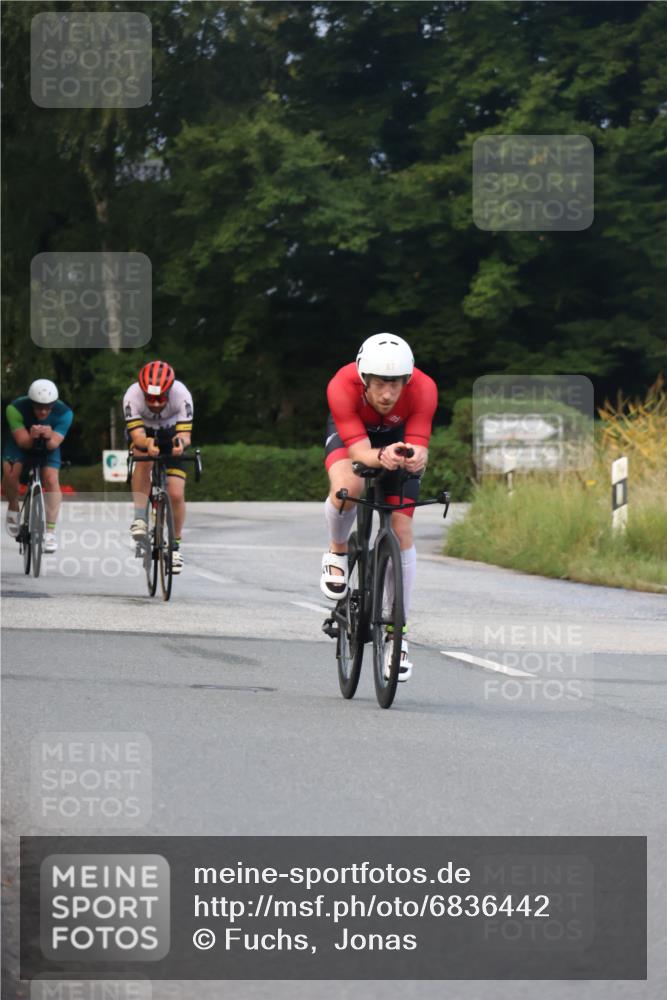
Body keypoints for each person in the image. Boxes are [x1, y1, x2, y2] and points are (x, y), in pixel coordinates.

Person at [321, 333, 438, 681]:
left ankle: (397, 635)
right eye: (379, 385)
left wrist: (417, 457)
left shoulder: (424, 389)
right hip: (353, 438)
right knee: (349, 486)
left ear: (408, 380)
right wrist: (380, 456)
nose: (388, 394)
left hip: (399, 439)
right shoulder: (341, 385)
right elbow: (359, 453)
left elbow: (420, 442)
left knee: (401, 529)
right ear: (363, 380)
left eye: (396, 385)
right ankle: (337, 550)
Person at [123, 361, 193, 574]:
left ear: (169, 391)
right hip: (144, 432)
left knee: (176, 493)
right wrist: (146, 444)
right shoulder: (132, 395)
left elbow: (185, 435)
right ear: (142, 392)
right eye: (150, 398)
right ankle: (140, 518)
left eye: (160, 398)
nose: (154, 403)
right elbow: (137, 436)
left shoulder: (181, 394)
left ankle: (175, 546)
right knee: (143, 459)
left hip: (171, 432)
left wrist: (179, 444)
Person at [2, 379, 73, 552]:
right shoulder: (15, 409)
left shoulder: (65, 413)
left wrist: (48, 436)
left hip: (48, 446)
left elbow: (54, 445)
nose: (43, 411)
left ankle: (49, 532)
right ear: (31, 402)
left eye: (48, 407)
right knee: (11, 472)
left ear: (54, 404)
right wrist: (31, 436)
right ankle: (13, 506)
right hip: (20, 443)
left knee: (51, 478)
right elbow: (23, 443)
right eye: (38, 406)